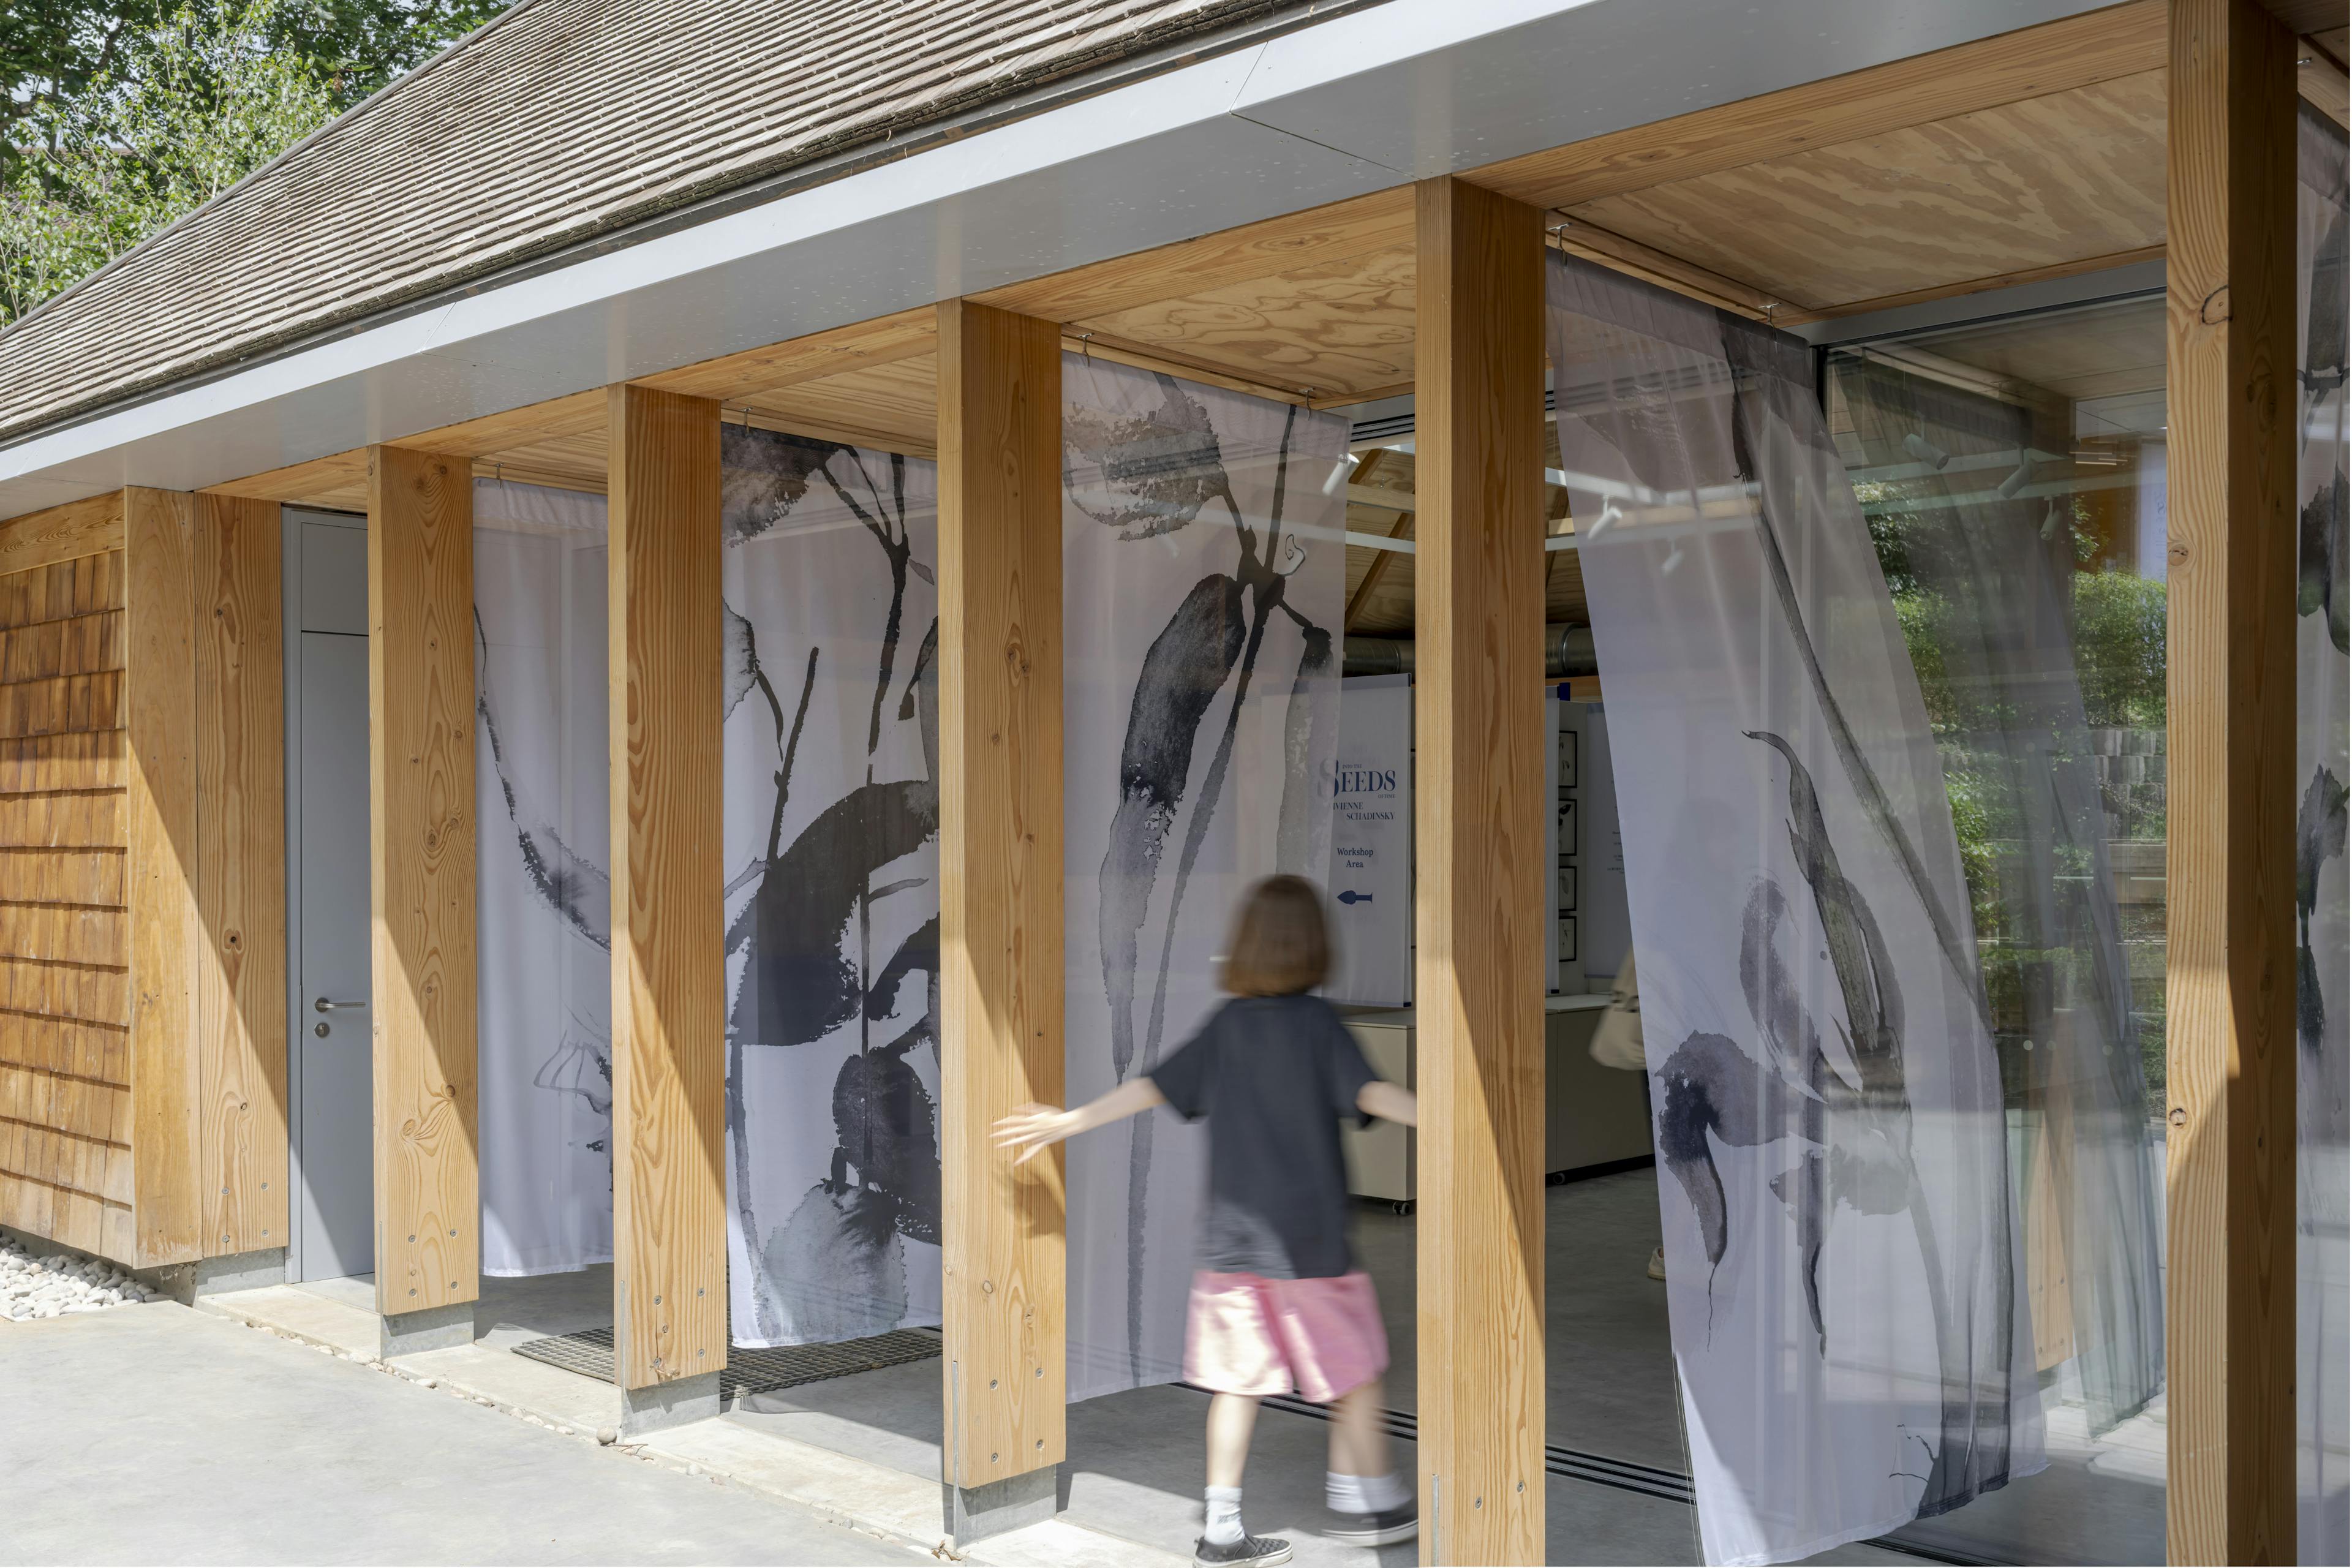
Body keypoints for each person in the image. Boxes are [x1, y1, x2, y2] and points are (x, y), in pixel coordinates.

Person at [995, 873, 1419, 1568]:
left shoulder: (1227, 1025)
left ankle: (1222, 1528)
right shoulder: (1317, 1025)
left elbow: (1154, 1085)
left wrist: (1070, 1119)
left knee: (1237, 1385)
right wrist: (1451, 1115)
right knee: (1357, 1371)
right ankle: (1365, 1497)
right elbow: (1368, 1092)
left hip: (1230, 1251)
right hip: (1311, 1251)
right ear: (1315, 946)